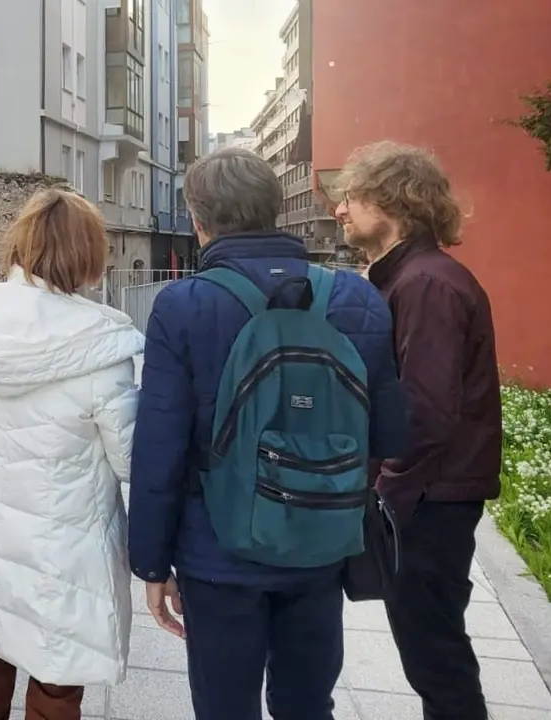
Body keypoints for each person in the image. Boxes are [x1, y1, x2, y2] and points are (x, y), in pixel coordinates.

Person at [129, 148, 408, 720]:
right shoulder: (356, 297)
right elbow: (391, 433)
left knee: (225, 707)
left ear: (198, 218)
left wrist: (152, 565)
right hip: (322, 545)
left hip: (218, 551)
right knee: (307, 704)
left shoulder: (182, 305)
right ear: (276, 209)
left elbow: (159, 449)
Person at [0, 188, 143, 719]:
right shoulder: (101, 345)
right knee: (57, 693)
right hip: (63, 550)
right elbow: (131, 460)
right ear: (88, 253)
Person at [335, 141, 501, 720]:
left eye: (351, 197)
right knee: (433, 650)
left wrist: (386, 496)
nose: (340, 210)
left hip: (430, 499)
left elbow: (425, 411)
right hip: (433, 494)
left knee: (435, 657)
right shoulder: (411, 276)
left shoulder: (425, 284)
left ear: (392, 200)